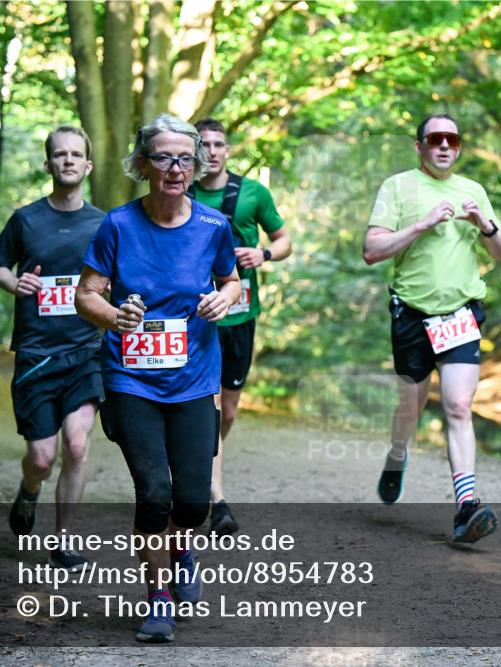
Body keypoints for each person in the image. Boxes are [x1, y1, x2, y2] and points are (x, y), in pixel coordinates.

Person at [75, 113, 240, 643]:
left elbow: (233, 281)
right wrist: (115, 316)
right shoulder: (118, 225)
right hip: (131, 379)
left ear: (197, 166)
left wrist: (223, 298)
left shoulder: (214, 227)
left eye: (185, 158)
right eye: (164, 157)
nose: (175, 167)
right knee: (154, 493)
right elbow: (87, 294)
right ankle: (158, 599)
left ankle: (183, 545)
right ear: (143, 164)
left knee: (193, 502)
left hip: (193, 377)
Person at [362, 113, 501, 543]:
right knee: (410, 407)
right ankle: (397, 454)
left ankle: (466, 507)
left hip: (461, 314)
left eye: (452, 140)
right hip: (411, 313)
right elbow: (372, 251)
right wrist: (422, 224)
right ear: (420, 146)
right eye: (435, 139)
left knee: (459, 405)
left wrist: (484, 224)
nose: (445, 146)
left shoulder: (473, 191)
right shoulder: (397, 186)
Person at [0, 125, 105, 570]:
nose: (69, 160)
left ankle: (64, 540)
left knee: (77, 446)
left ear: (88, 165)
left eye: (77, 154)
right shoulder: (26, 219)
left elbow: (118, 275)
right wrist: (14, 283)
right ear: (48, 164)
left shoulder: (102, 223)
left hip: (85, 350)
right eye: (61, 154)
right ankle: (29, 489)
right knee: (42, 456)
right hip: (37, 353)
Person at [191, 117, 292, 535]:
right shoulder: (179, 191)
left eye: (218, 144)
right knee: (209, 407)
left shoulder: (253, 193)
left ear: (228, 150)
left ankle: (206, 460)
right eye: (204, 144)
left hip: (242, 315)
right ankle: (218, 500)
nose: (212, 151)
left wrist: (263, 255)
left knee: (228, 410)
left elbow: (285, 240)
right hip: (196, 317)